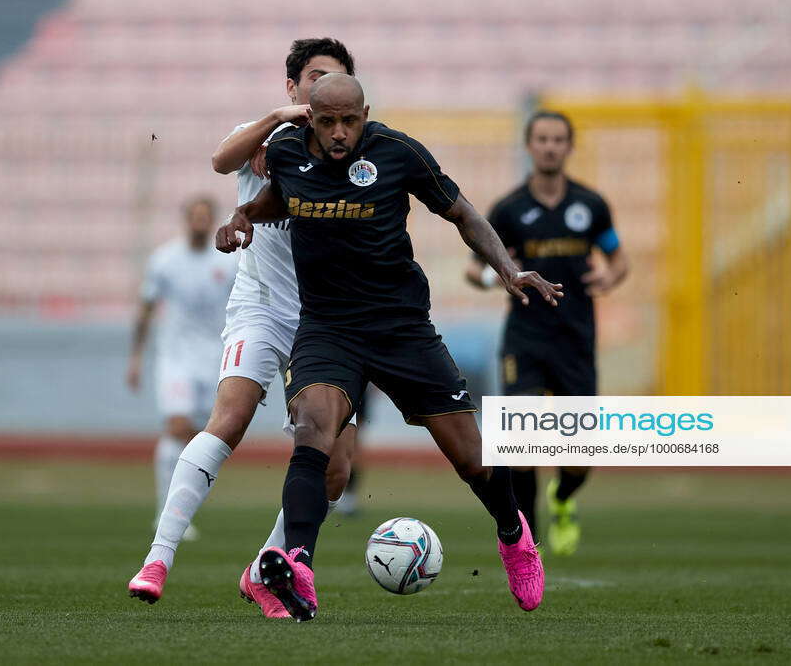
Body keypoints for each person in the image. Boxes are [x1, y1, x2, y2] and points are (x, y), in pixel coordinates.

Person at [216, 73, 564, 621]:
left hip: (401, 328)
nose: (338, 133)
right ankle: (297, 564)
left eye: (348, 121)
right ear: (309, 116)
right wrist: (243, 215)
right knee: (312, 428)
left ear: (365, 114)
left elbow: (463, 213)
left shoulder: (397, 152)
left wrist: (508, 269)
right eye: (326, 121)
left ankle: (514, 534)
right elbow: (280, 199)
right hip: (328, 327)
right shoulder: (285, 150)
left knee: (472, 459)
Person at [127, 39, 361, 619]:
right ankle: (158, 557)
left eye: (336, 79)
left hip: (324, 320)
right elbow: (220, 160)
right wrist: (276, 126)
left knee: (336, 465)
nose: (322, 87)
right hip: (260, 308)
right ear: (292, 87)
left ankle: (266, 568)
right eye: (314, 78)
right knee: (227, 420)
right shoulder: (264, 136)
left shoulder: (353, 155)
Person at [465, 111, 629, 556]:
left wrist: (609, 279)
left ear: (569, 146)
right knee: (522, 442)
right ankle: (528, 545)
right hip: (526, 338)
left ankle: (562, 498)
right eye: (542, 139)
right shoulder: (510, 209)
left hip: (576, 340)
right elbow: (475, 268)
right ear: (529, 145)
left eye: (558, 139)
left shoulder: (590, 205)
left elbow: (618, 258)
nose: (550, 146)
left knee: (579, 457)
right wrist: (497, 276)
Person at [126, 196, 237, 542]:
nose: (200, 223)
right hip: (175, 359)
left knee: (198, 438)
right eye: (195, 217)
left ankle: (179, 512)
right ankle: (165, 514)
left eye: (206, 217)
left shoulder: (229, 261)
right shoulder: (165, 260)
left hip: (214, 358)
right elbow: (145, 308)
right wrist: (136, 357)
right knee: (176, 426)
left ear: (212, 220)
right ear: (186, 220)